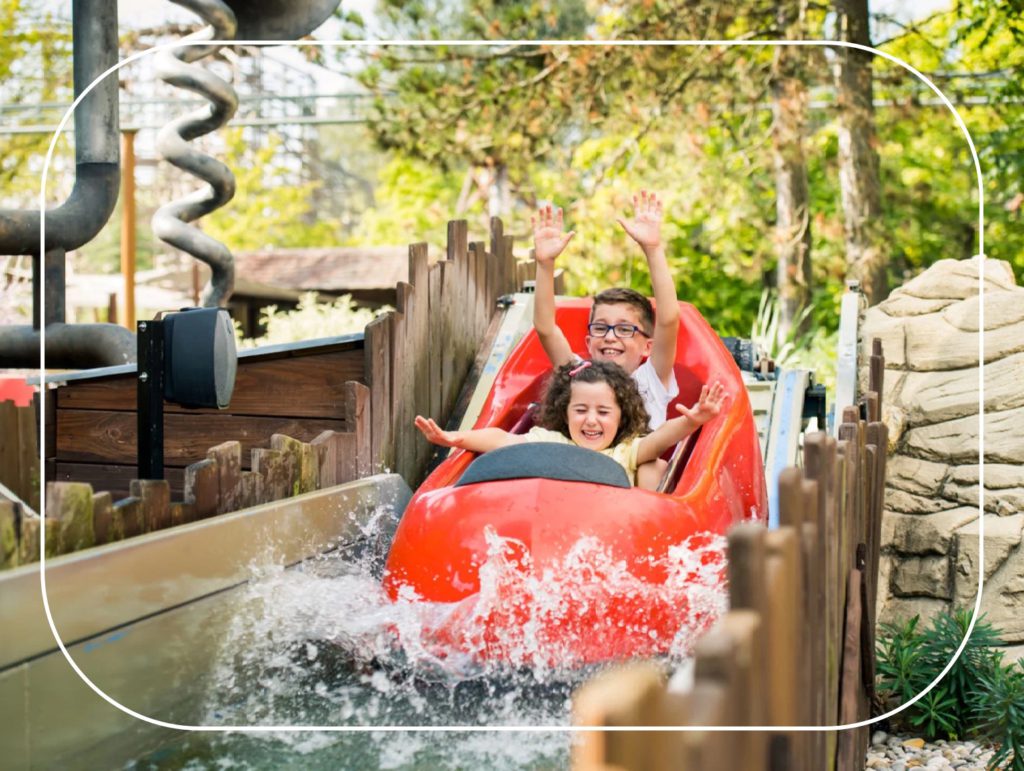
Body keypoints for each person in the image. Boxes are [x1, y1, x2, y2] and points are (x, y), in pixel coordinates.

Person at [531, 190, 681, 487]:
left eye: (625, 329)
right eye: (601, 328)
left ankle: (647, 524)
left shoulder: (651, 379)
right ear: (588, 342)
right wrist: (545, 265)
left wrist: (653, 249)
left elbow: (668, 318)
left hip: (631, 482)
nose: (611, 337)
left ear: (647, 346)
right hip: (580, 471)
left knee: (653, 467)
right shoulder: (579, 374)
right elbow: (546, 328)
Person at [414, 360, 726, 489]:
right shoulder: (551, 442)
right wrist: (455, 438)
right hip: (559, 524)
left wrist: (692, 421)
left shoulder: (625, 452)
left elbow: (659, 441)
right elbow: (500, 440)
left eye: (603, 412)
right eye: (581, 410)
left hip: (608, 530)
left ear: (621, 417)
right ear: (566, 413)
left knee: (651, 467)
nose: (591, 420)